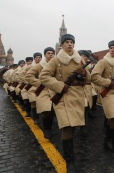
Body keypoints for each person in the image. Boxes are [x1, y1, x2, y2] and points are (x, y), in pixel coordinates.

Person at [40, 34, 87, 172]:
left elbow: (88, 78)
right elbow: (44, 76)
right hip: (62, 97)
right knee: (66, 128)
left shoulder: (79, 60)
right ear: (61, 45)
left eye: (72, 42)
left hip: (77, 96)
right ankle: (70, 160)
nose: (70, 44)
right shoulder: (56, 60)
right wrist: (60, 86)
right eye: (66, 42)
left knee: (73, 128)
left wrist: (83, 75)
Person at [91, 40, 114, 155]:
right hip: (108, 93)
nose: (112, 50)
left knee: (112, 118)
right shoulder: (103, 62)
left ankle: (107, 140)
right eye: (110, 48)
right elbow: (94, 76)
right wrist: (107, 82)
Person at [25, 47, 55, 139]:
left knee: (52, 111)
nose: (50, 55)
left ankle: (49, 127)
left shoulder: (57, 64)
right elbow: (28, 76)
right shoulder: (38, 66)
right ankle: (46, 129)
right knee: (45, 110)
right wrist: (39, 83)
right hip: (43, 90)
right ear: (45, 55)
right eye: (48, 53)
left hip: (54, 89)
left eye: (52, 53)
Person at [24, 52, 42, 124]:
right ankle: (36, 118)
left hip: (43, 86)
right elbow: (24, 76)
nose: (38, 59)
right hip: (32, 86)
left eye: (40, 57)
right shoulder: (29, 67)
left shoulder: (44, 65)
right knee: (33, 102)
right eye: (37, 57)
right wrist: (30, 81)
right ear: (34, 58)